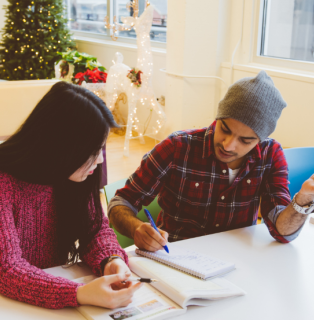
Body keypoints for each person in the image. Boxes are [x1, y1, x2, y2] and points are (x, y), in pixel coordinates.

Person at [108, 71, 314, 252]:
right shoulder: (177, 146)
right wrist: (137, 228)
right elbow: (121, 202)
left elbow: (283, 233)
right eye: (224, 128)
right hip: (174, 255)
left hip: (236, 260)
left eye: (245, 140)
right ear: (217, 117)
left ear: (260, 140)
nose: (228, 145)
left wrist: (302, 200)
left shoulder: (271, 154)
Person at [0, 82, 142, 309]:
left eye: (101, 149)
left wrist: (110, 259)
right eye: (92, 152)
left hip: (43, 301)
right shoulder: (0, 181)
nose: (100, 160)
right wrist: (78, 293)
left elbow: (94, 229)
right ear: (62, 147)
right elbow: (7, 269)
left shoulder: (73, 176)